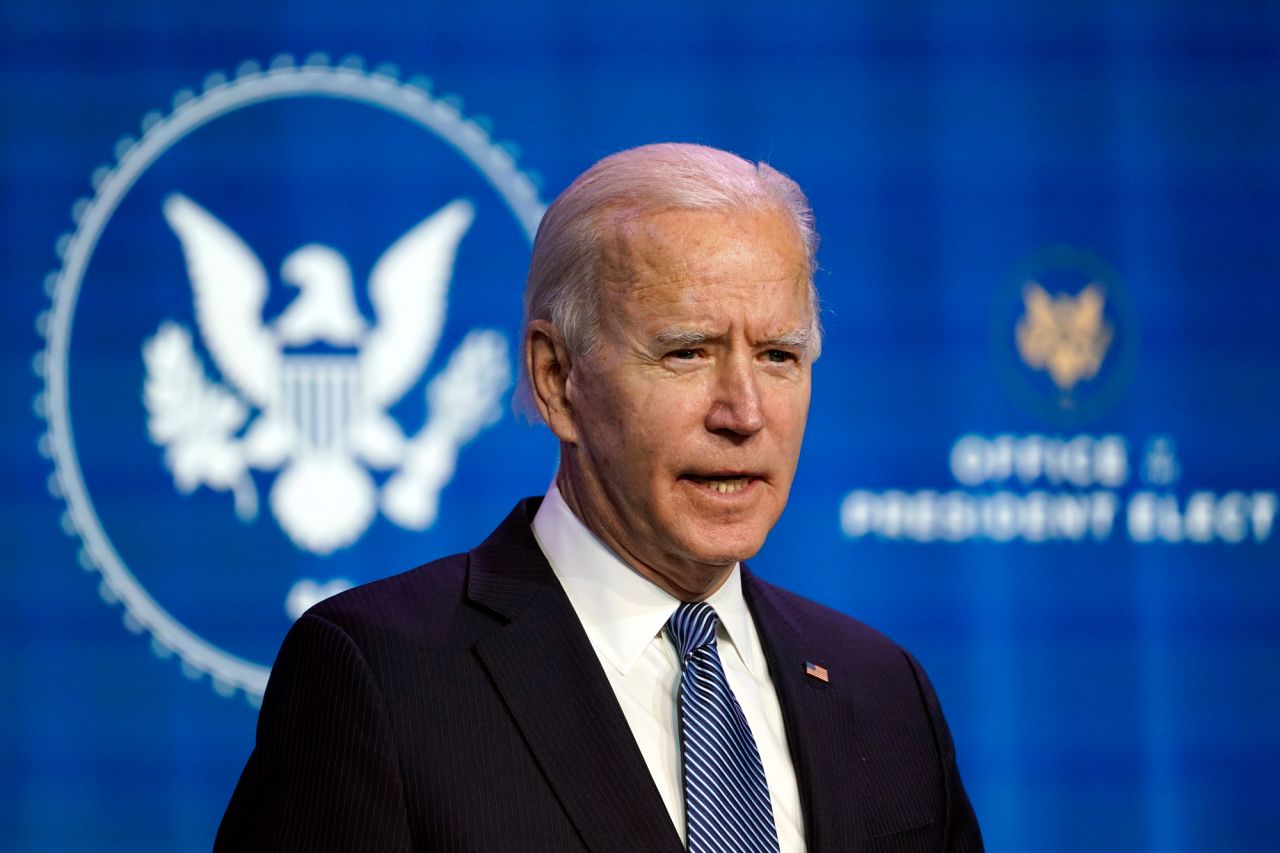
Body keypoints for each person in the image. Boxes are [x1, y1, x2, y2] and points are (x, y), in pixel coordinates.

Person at [215, 143, 983, 852]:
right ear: (557, 378)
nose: (745, 413)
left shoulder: (884, 691)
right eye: (687, 352)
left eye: (780, 356)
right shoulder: (382, 678)